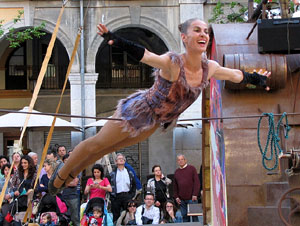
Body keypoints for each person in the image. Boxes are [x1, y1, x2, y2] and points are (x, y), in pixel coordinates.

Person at [49, 18, 270, 197]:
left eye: (206, 31)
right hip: (137, 113)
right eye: (197, 30)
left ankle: (70, 174)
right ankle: (61, 174)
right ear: (184, 37)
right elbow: (146, 55)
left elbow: (234, 75)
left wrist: (257, 80)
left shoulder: (209, 67)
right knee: (95, 143)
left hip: (154, 123)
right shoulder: (174, 63)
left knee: (105, 149)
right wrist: (115, 40)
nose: (203, 34)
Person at [109, 153, 136, 222]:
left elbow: (134, 184)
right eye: (119, 159)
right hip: (116, 197)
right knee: (116, 216)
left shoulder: (129, 172)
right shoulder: (112, 174)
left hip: (127, 196)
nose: (121, 160)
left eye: (122, 159)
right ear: (116, 162)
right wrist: (112, 197)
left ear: (124, 161)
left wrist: (131, 195)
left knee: (128, 215)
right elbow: (109, 186)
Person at [173, 154, 200, 222]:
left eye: (182, 159)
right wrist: (176, 197)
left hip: (192, 198)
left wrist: (195, 194)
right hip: (182, 200)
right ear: (177, 162)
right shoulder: (176, 172)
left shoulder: (192, 168)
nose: (180, 161)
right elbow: (175, 186)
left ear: (185, 160)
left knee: (194, 216)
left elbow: (197, 183)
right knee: (184, 217)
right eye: (179, 160)